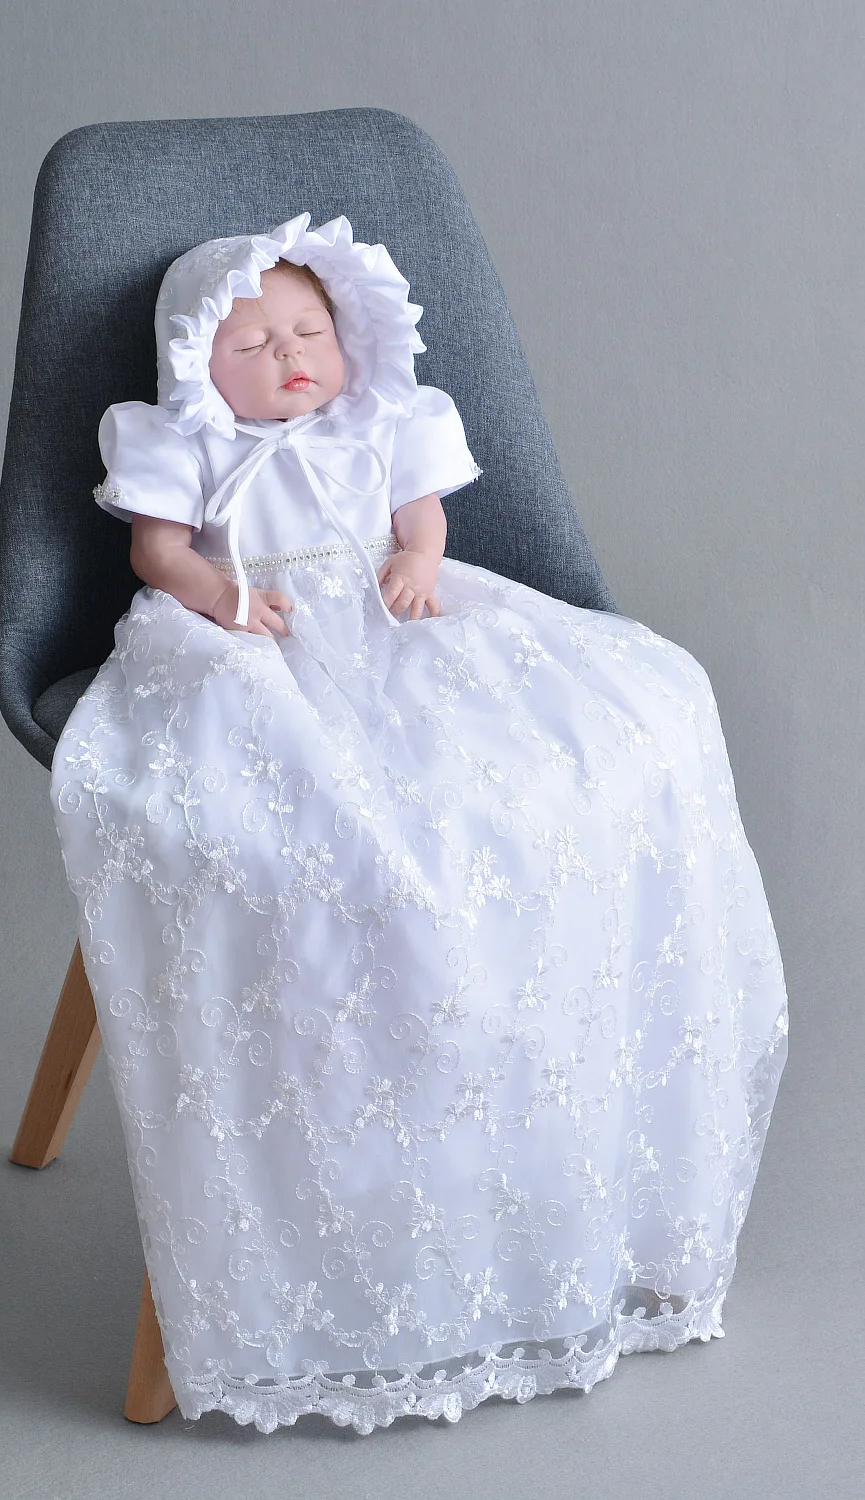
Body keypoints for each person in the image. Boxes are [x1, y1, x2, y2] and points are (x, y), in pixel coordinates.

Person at [51, 213, 789, 1434]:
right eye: (252, 344)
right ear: (198, 364)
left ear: (350, 338)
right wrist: (222, 595)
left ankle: (525, 1099)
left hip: (391, 619)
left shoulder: (380, 420)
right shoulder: (186, 442)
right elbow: (158, 554)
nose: (289, 356)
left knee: (584, 736)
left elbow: (424, 519)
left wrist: (418, 561)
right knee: (300, 807)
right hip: (261, 641)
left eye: (308, 332)